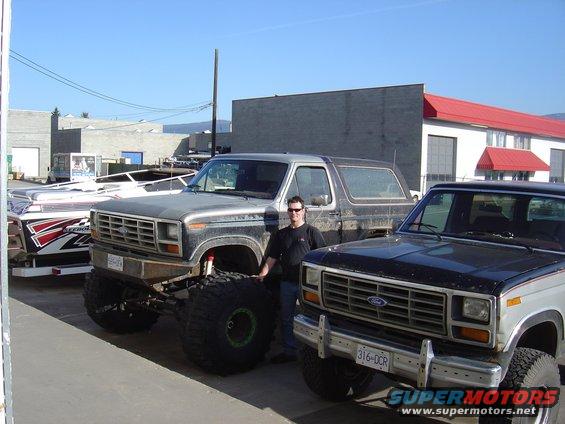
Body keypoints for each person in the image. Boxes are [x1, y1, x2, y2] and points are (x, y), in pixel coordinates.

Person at [256, 195, 326, 364]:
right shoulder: (281, 234)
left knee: (311, 319)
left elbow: (322, 257)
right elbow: (272, 258)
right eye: (290, 210)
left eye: (297, 210)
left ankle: (313, 354)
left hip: (307, 286)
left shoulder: (312, 232)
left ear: (304, 211)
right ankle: (289, 351)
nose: (293, 213)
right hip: (287, 284)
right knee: (287, 318)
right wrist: (262, 275)